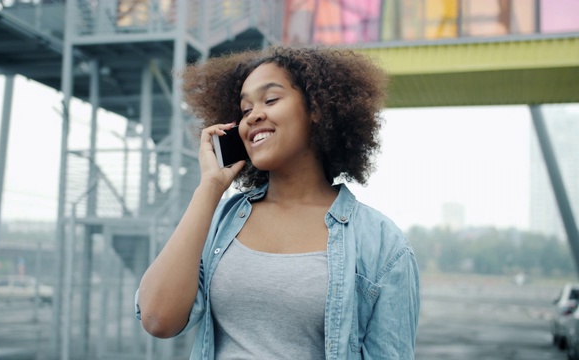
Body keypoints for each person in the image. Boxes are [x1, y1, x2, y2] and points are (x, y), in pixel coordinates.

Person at [135, 46, 420, 359]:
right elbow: (157, 320)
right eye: (245, 111)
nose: (254, 115)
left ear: (317, 109)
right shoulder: (221, 220)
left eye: (270, 100)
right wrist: (209, 188)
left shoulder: (383, 245)